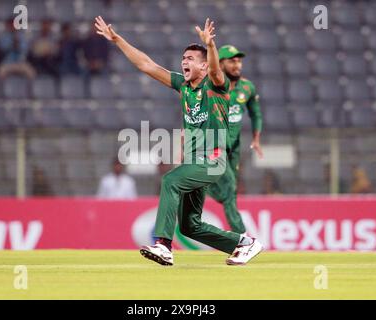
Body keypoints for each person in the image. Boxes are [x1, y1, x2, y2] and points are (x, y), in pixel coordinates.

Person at [95, 16, 263, 266]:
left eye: (191, 59)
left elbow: (217, 70)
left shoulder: (216, 85)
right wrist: (118, 39)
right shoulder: (183, 86)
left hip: (213, 159)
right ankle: (243, 243)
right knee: (189, 226)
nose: (184, 61)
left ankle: (163, 244)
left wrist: (211, 46)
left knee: (171, 180)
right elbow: (147, 65)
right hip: (196, 162)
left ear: (204, 67)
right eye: (183, 58)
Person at [206, 45, 263, 233]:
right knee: (230, 189)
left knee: (230, 191)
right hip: (213, 144)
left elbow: (256, 114)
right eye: (232, 61)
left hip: (234, 147)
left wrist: (256, 138)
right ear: (220, 64)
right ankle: (242, 237)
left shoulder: (247, 87)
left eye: (239, 61)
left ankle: (205, 189)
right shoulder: (208, 86)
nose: (237, 65)